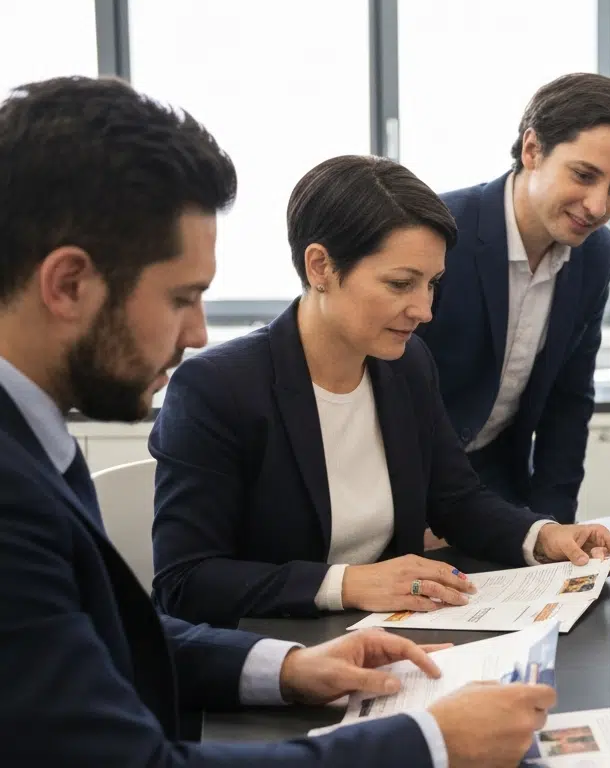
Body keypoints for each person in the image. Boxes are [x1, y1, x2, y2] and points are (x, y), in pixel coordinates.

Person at [0, 75, 554, 767]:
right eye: (182, 297)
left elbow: (117, 634)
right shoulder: (17, 490)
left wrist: (289, 666)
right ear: (67, 284)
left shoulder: (33, 440)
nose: (199, 332)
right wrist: (429, 743)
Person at [149, 155, 610, 628]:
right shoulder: (216, 389)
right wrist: (349, 583)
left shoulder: (406, 365)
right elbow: (186, 581)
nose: (424, 310)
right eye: (400, 284)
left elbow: (457, 500)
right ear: (320, 266)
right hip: (276, 652)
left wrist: (544, 536)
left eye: (432, 284)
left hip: (391, 638)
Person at [417, 74, 610, 525]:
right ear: (532, 150)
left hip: (498, 482)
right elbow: (380, 383)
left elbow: (570, 399)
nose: (598, 206)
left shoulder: (595, 253)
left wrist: (554, 525)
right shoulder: (443, 229)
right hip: (407, 480)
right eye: (584, 175)